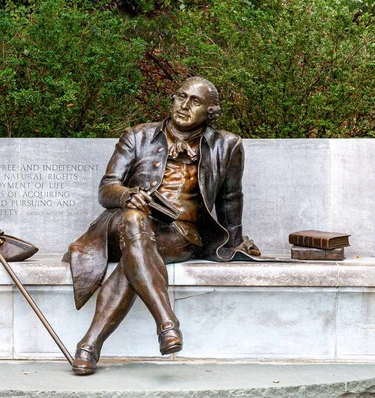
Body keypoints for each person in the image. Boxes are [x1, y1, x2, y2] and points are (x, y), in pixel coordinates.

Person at [64, 76, 260, 375]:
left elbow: (231, 198)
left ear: (210, 112)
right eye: (180, 97)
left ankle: (89, 345)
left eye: (195, 102)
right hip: (121, 226)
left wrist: (234, 241)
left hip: (179, 235)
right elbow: (106, 189)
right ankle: (167, 322)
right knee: (134, 220)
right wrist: (128, 195)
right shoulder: (137, 136)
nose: (183, 105)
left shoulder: (227, 145)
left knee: (136, 259)